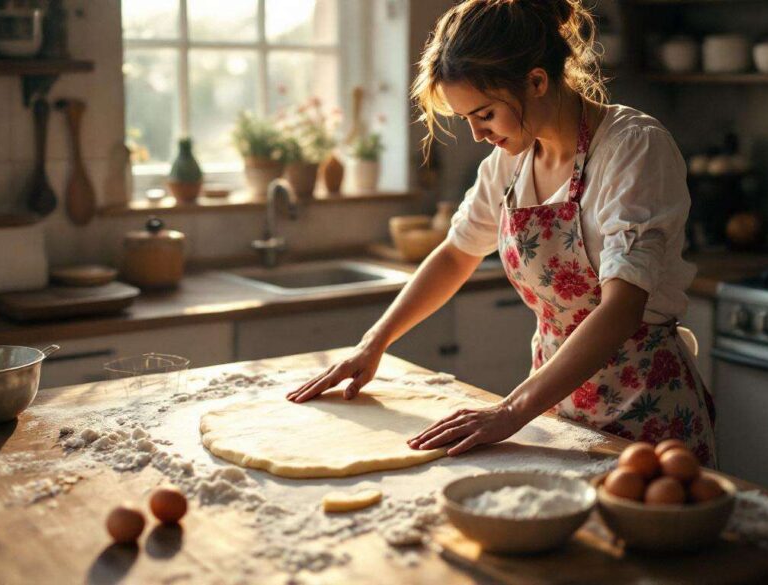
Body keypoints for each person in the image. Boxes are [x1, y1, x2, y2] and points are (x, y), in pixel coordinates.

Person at [288, 0, 717, 466]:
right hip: (554, 407)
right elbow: (456, 254)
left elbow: (622, 308)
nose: (477, 134)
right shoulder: (510, 162)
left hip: (647, 418)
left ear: (536, 81)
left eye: (486, 114)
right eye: (467, 119)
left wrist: (511, 410)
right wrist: (373, 343)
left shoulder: (632, 146)